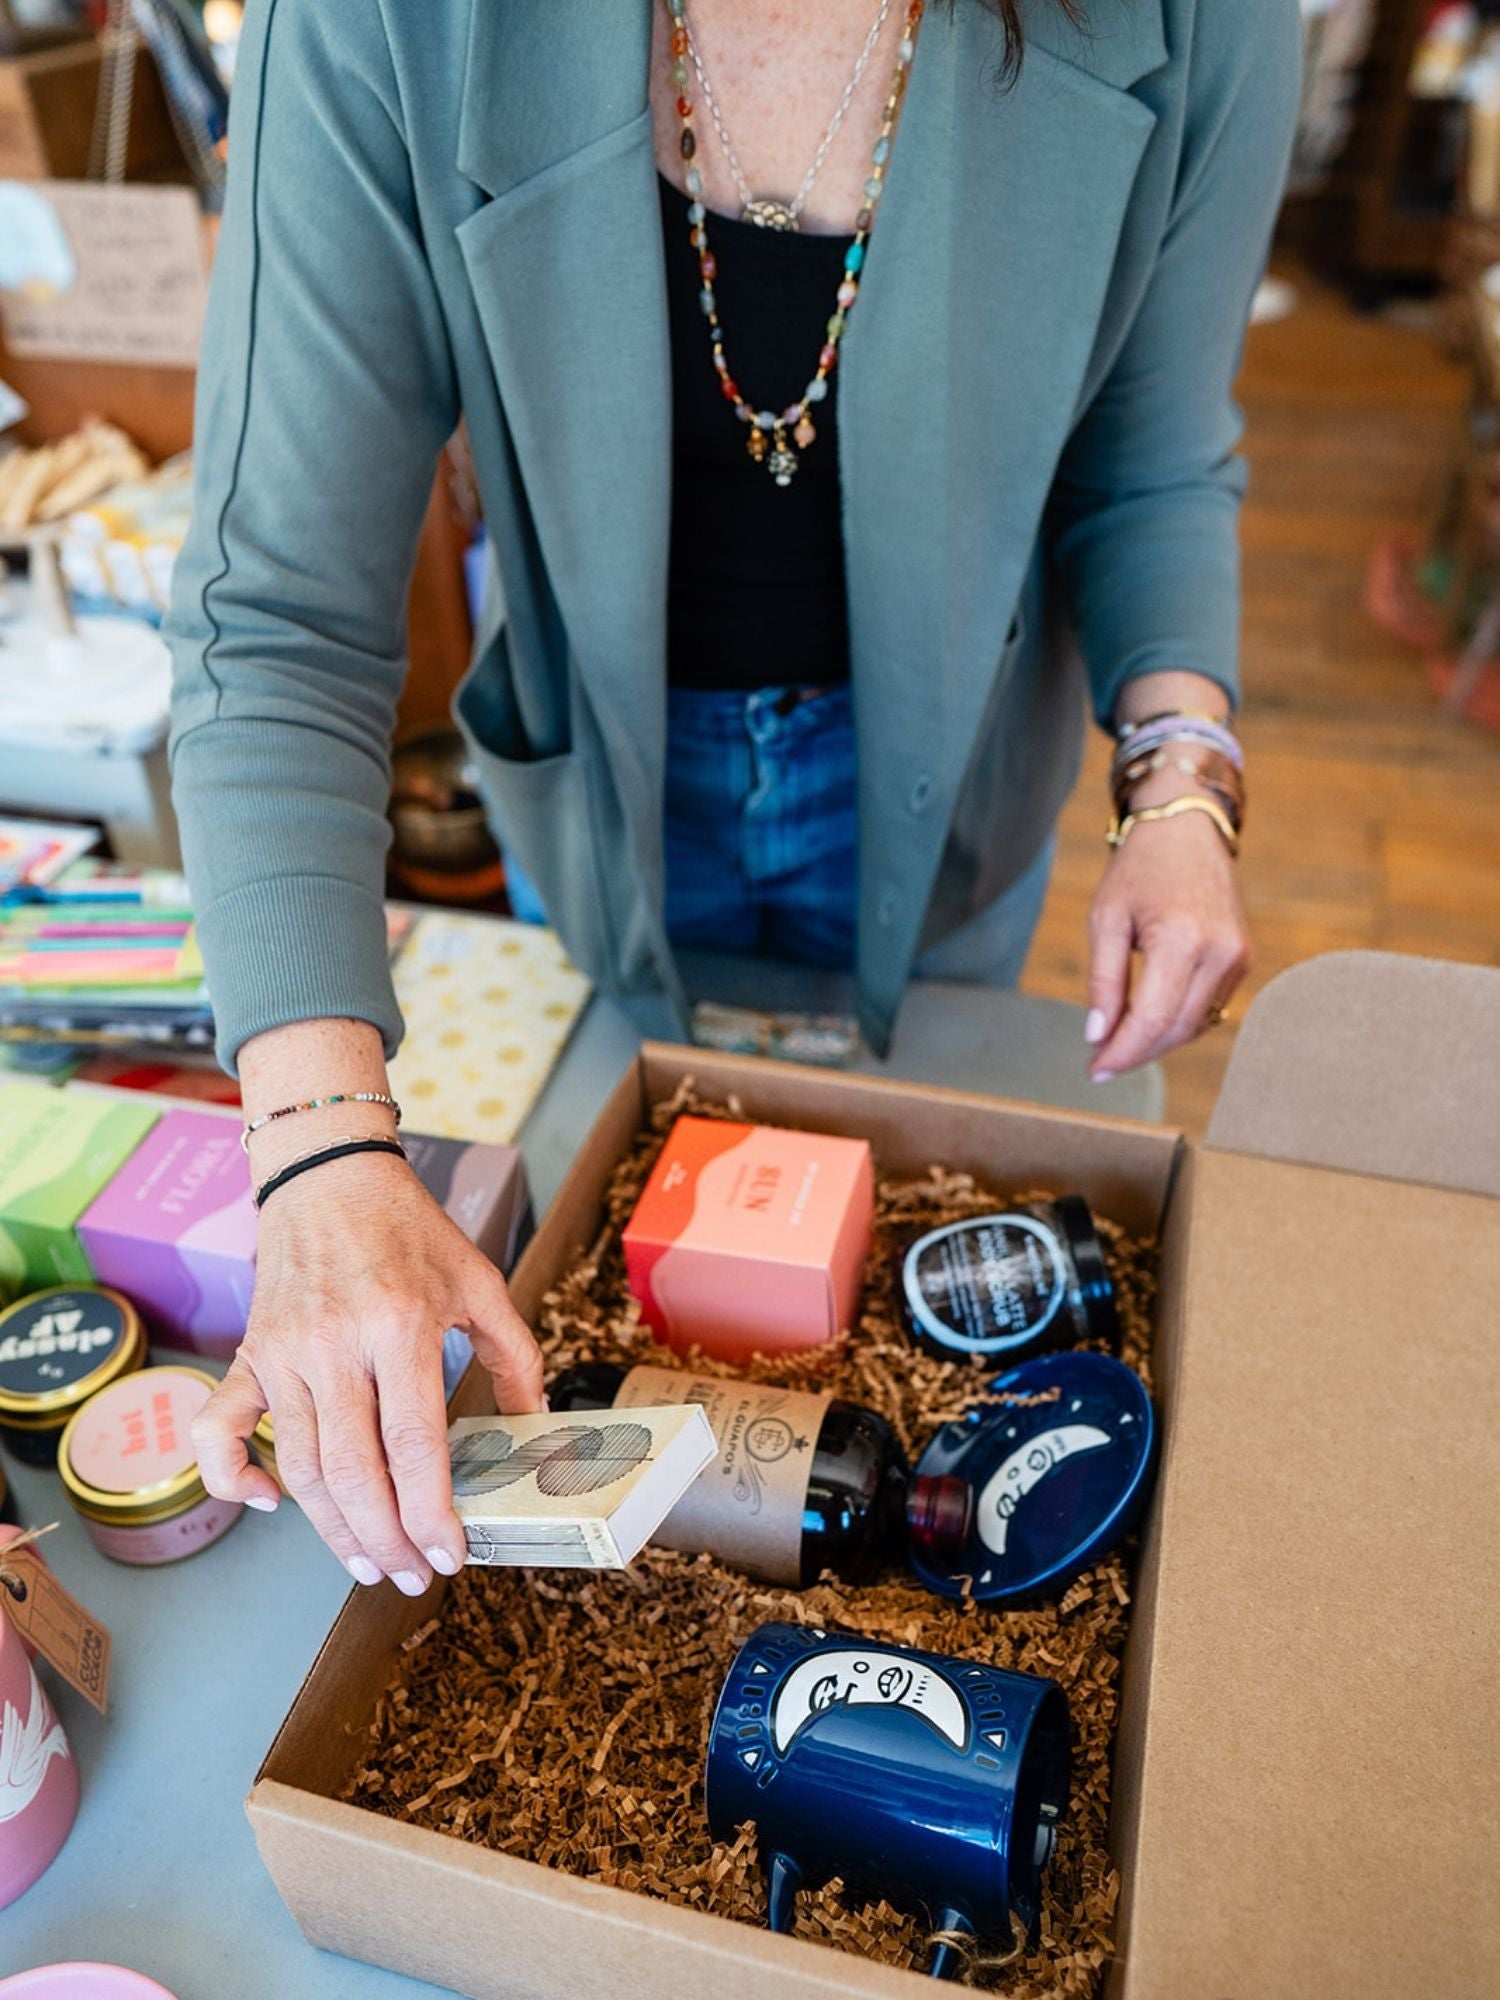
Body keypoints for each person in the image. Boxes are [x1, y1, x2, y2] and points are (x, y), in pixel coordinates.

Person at [165, 0, 1300, 1595]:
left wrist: (1180, 772)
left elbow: (1152, 456)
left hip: (958, 780)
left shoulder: (1204, 19)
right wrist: (319, 1154)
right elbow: (277, 613)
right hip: (601, 781)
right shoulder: (390, 22)